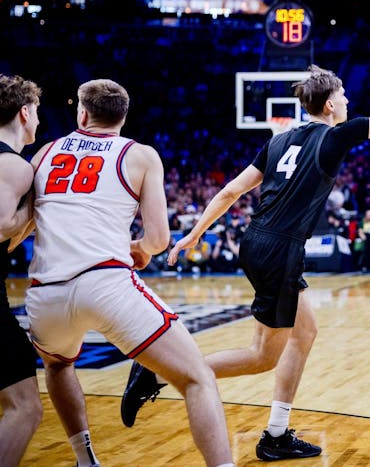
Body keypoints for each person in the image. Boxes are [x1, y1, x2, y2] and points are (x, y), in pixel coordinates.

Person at [127, 35, 370, 462]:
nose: (347, 101)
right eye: (343, 95)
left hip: (258, 241)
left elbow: (232, 191)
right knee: (261, 357)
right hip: (280, 250)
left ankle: (276, 433)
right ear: (329, 105)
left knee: (304, 332)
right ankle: (160, 370)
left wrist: (195, 234)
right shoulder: (333, 138)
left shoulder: (277, 141)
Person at [24, 79, 233, 467]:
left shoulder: (44, 153)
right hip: (104, 283)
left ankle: (86, 461)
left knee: (57, 364)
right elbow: (157, 238)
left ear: (81, 113)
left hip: (45, 291)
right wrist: (138, 249)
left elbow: (26, 220)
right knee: (197, 377)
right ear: (122, 117)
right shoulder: (140, 155)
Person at [0, 74, 43, 467]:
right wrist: (35, 207)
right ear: (24, 112)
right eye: (38, 113)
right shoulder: (14, 165)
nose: (39, 121)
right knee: (25, 407)